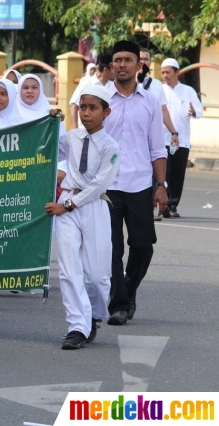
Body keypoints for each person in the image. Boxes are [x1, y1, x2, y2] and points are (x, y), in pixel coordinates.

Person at [45, 85, 119, 349]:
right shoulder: (72, 137)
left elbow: (99, 185)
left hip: (92, 206)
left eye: (93, 108)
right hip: (66, 206)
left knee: (98, 276)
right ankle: (77, 326)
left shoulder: (111, 147)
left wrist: (68, 203)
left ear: (106, 112)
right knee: (69, 271)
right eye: (83, 107)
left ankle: (94, 316)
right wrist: (50, 123)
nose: (86, 113)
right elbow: (48, 151)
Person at [105, 40, 167, 325]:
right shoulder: (100, 98)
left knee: (143, 246)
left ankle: (128, 293)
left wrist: (162, 185)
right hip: (106, 188)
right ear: (111, 65)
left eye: (127, 60)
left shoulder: (150, 102)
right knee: (112, 248)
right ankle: (118, 304)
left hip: (141, 184)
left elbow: (157, 148)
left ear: (138, 65)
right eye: (117, 60)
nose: (122, 64)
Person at [160, 58, 203, 219]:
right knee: (164, 173)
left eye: (168, 72)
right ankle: (162, 204)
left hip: (182, 139)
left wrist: (194, 112)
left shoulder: (188, 91)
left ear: (176, 72)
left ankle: (172, 205)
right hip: (162, 139)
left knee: (177, 175)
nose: (165, 75)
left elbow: (199, 110)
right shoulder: (159, 90)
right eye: (163, 72)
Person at [139, 49, 180, 204]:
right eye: (141, 58)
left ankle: (153, 204)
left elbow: (163, 110)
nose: (143, 62)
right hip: (134, 138)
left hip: (154, 137)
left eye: (147, 59)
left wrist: (173, 132)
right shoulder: (127, 82)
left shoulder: (157, 86)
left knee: (157, 173)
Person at [69, 52, 114, 129]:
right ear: (106, 69)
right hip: (84, 132)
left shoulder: (112, 86)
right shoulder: (87, 83)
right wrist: (75, 132)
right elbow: (74, 106)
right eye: (113, 68)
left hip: (104, 133)